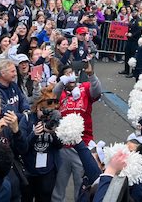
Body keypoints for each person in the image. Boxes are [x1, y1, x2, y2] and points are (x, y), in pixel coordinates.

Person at [52, 63, 102, 202]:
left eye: (72, 73)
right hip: (63, 147)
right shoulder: (60, 92)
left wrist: (91, 75)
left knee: (81, 185)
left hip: (83, 146)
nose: (71, 77)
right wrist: (62, 82)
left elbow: (97, 91)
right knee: (59, 185)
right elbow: (53, 95)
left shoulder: (84, 88)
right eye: (67, 74)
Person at [19, 86, 62, 202]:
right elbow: (21, 147)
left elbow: (60, 145)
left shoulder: (54, 119)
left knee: (45, 198)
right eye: (43, 110)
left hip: (47, 171)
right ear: (37, 106)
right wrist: (34, 134)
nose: (45, 115)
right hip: (29, 170)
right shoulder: (27, 119)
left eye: (49, 111)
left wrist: (53, 133)